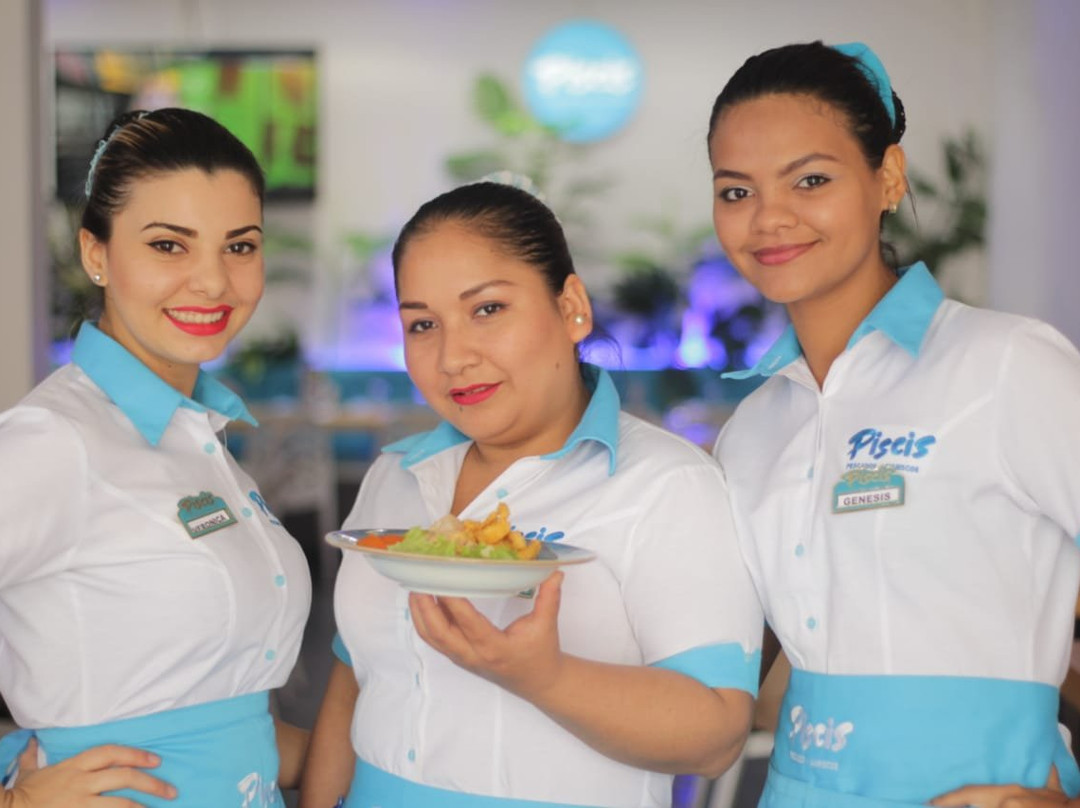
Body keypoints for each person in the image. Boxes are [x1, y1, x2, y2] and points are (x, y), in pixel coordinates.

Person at [299, 180, 764, 808]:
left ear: (571, 308)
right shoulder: (397, 475)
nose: (453, 356)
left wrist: (545, 677)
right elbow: (354, 679)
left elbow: (715, 734)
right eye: (423, 324)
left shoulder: (665, 483)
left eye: (487, 309)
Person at [706, 40, 1080, 808]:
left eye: (811, 180)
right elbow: (717, 667)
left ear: (888, 178)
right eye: (736, 191)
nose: (769, 218)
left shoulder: (1006, 365)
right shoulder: (751, 430)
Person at [0, 108, 312, 807]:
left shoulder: (198, 435)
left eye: (239, 246)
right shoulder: (54, 441)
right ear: (96, 254)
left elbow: (226, 720)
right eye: (169, 245)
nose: (213, 283)